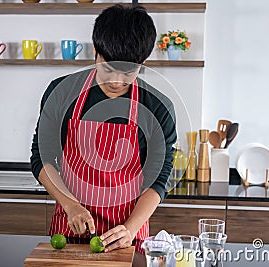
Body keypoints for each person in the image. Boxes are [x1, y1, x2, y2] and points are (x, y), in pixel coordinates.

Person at [30, 4, 177, 266]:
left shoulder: (158, 107)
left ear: (142, 65)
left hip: (128, 236)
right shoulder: (61, 91)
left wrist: (130, 229)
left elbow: (160, 177)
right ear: (96, 52)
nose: (117, 81)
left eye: (129, 71)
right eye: (108, 68)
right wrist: (69, 205)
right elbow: (41, 157)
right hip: (69, 230)